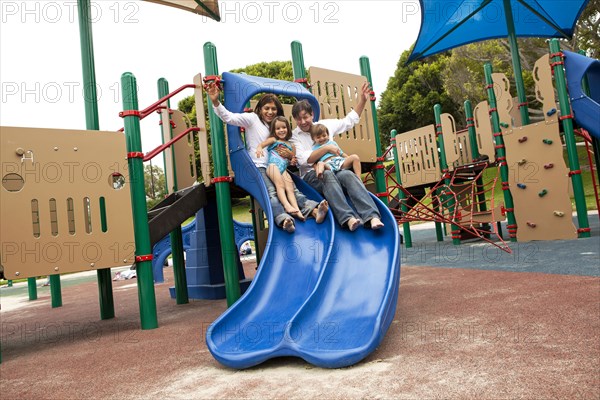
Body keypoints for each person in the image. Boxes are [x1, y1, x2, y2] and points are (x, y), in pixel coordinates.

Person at [206, 82, 328, 233]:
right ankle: (284, 219)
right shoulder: (252, 119)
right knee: (272, 192)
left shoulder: (277, 126)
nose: (270, 112)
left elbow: (287, 147)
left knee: (293, 190)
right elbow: (229, 118)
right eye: (267, 108)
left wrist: (290, 156)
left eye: (273, 109)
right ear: (260, 109)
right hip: (259, 166)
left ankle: (315, 211)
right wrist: (215, 101)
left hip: (279, 165)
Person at [290, 82, 384, 231]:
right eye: (298, 119)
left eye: (305, 117)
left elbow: (348, 121)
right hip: (311, 175)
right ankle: (348, 218)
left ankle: (372, 217)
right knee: (326, 174)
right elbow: (305, 160)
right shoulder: (295, 136)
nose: (302, 122)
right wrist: (327, 147)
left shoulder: (323, 126)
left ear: (312, 115)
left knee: (348, 174)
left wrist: (363, 101)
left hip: (336, 170)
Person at [256, 116, 304, 220]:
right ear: (274, 130)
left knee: (290, 189)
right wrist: (259, 148)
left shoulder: (292, 145)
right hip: (272, 166)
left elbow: (292, 162)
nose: (281, 130)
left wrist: (293, 161)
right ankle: (287, 206)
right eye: (278, 128)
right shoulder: (274, 140)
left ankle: (297, 210)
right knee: (280, 185)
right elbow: (262, 144)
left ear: (288, 128)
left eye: (284, 127)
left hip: (283, 169)